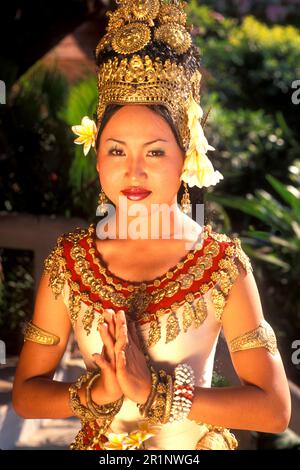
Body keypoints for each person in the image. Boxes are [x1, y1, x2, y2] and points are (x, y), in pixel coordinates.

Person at [12, 0, 291, 450]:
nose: (134, 171)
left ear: (186, 159)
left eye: (156, 152)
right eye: (117, 150)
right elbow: (26, 394)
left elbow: (275, 410)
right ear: (98, 158)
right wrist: (98, 393)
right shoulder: (69, 263)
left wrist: (156, 393)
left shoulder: (221, 265)